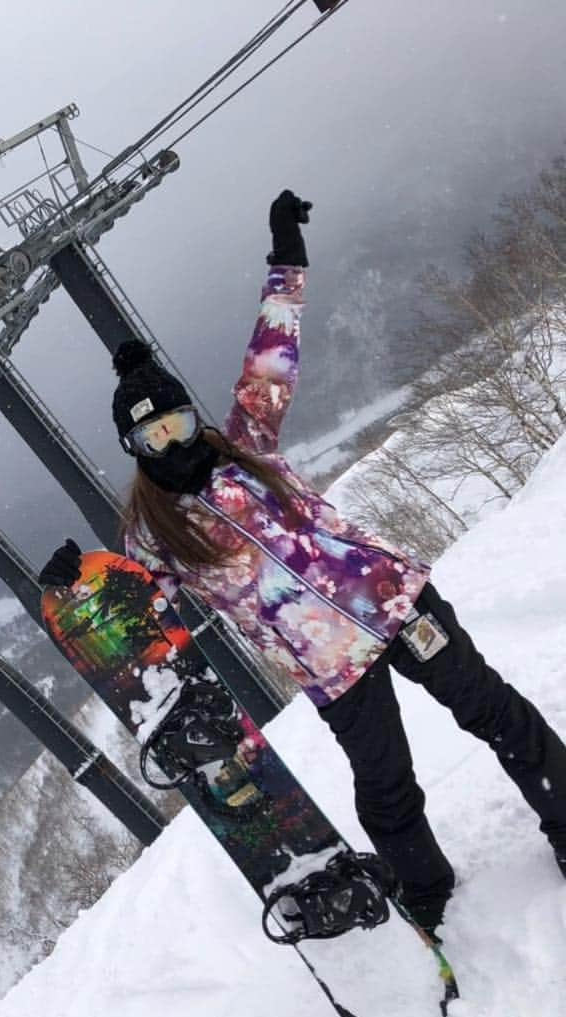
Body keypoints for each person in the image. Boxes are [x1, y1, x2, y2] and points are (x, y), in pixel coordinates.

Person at [39, 190, 566, 936]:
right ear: (135, 449)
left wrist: (286, 258)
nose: (170, 440)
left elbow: (273, 353)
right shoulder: (152, 535)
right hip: (330, 668)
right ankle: (429, 892)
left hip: (394, 603)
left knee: (495, 712)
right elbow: (139, 612)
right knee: (385, 789)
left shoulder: (248, 443)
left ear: (194, 414)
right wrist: (83, 580)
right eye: (152, 436)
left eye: (176, 420)